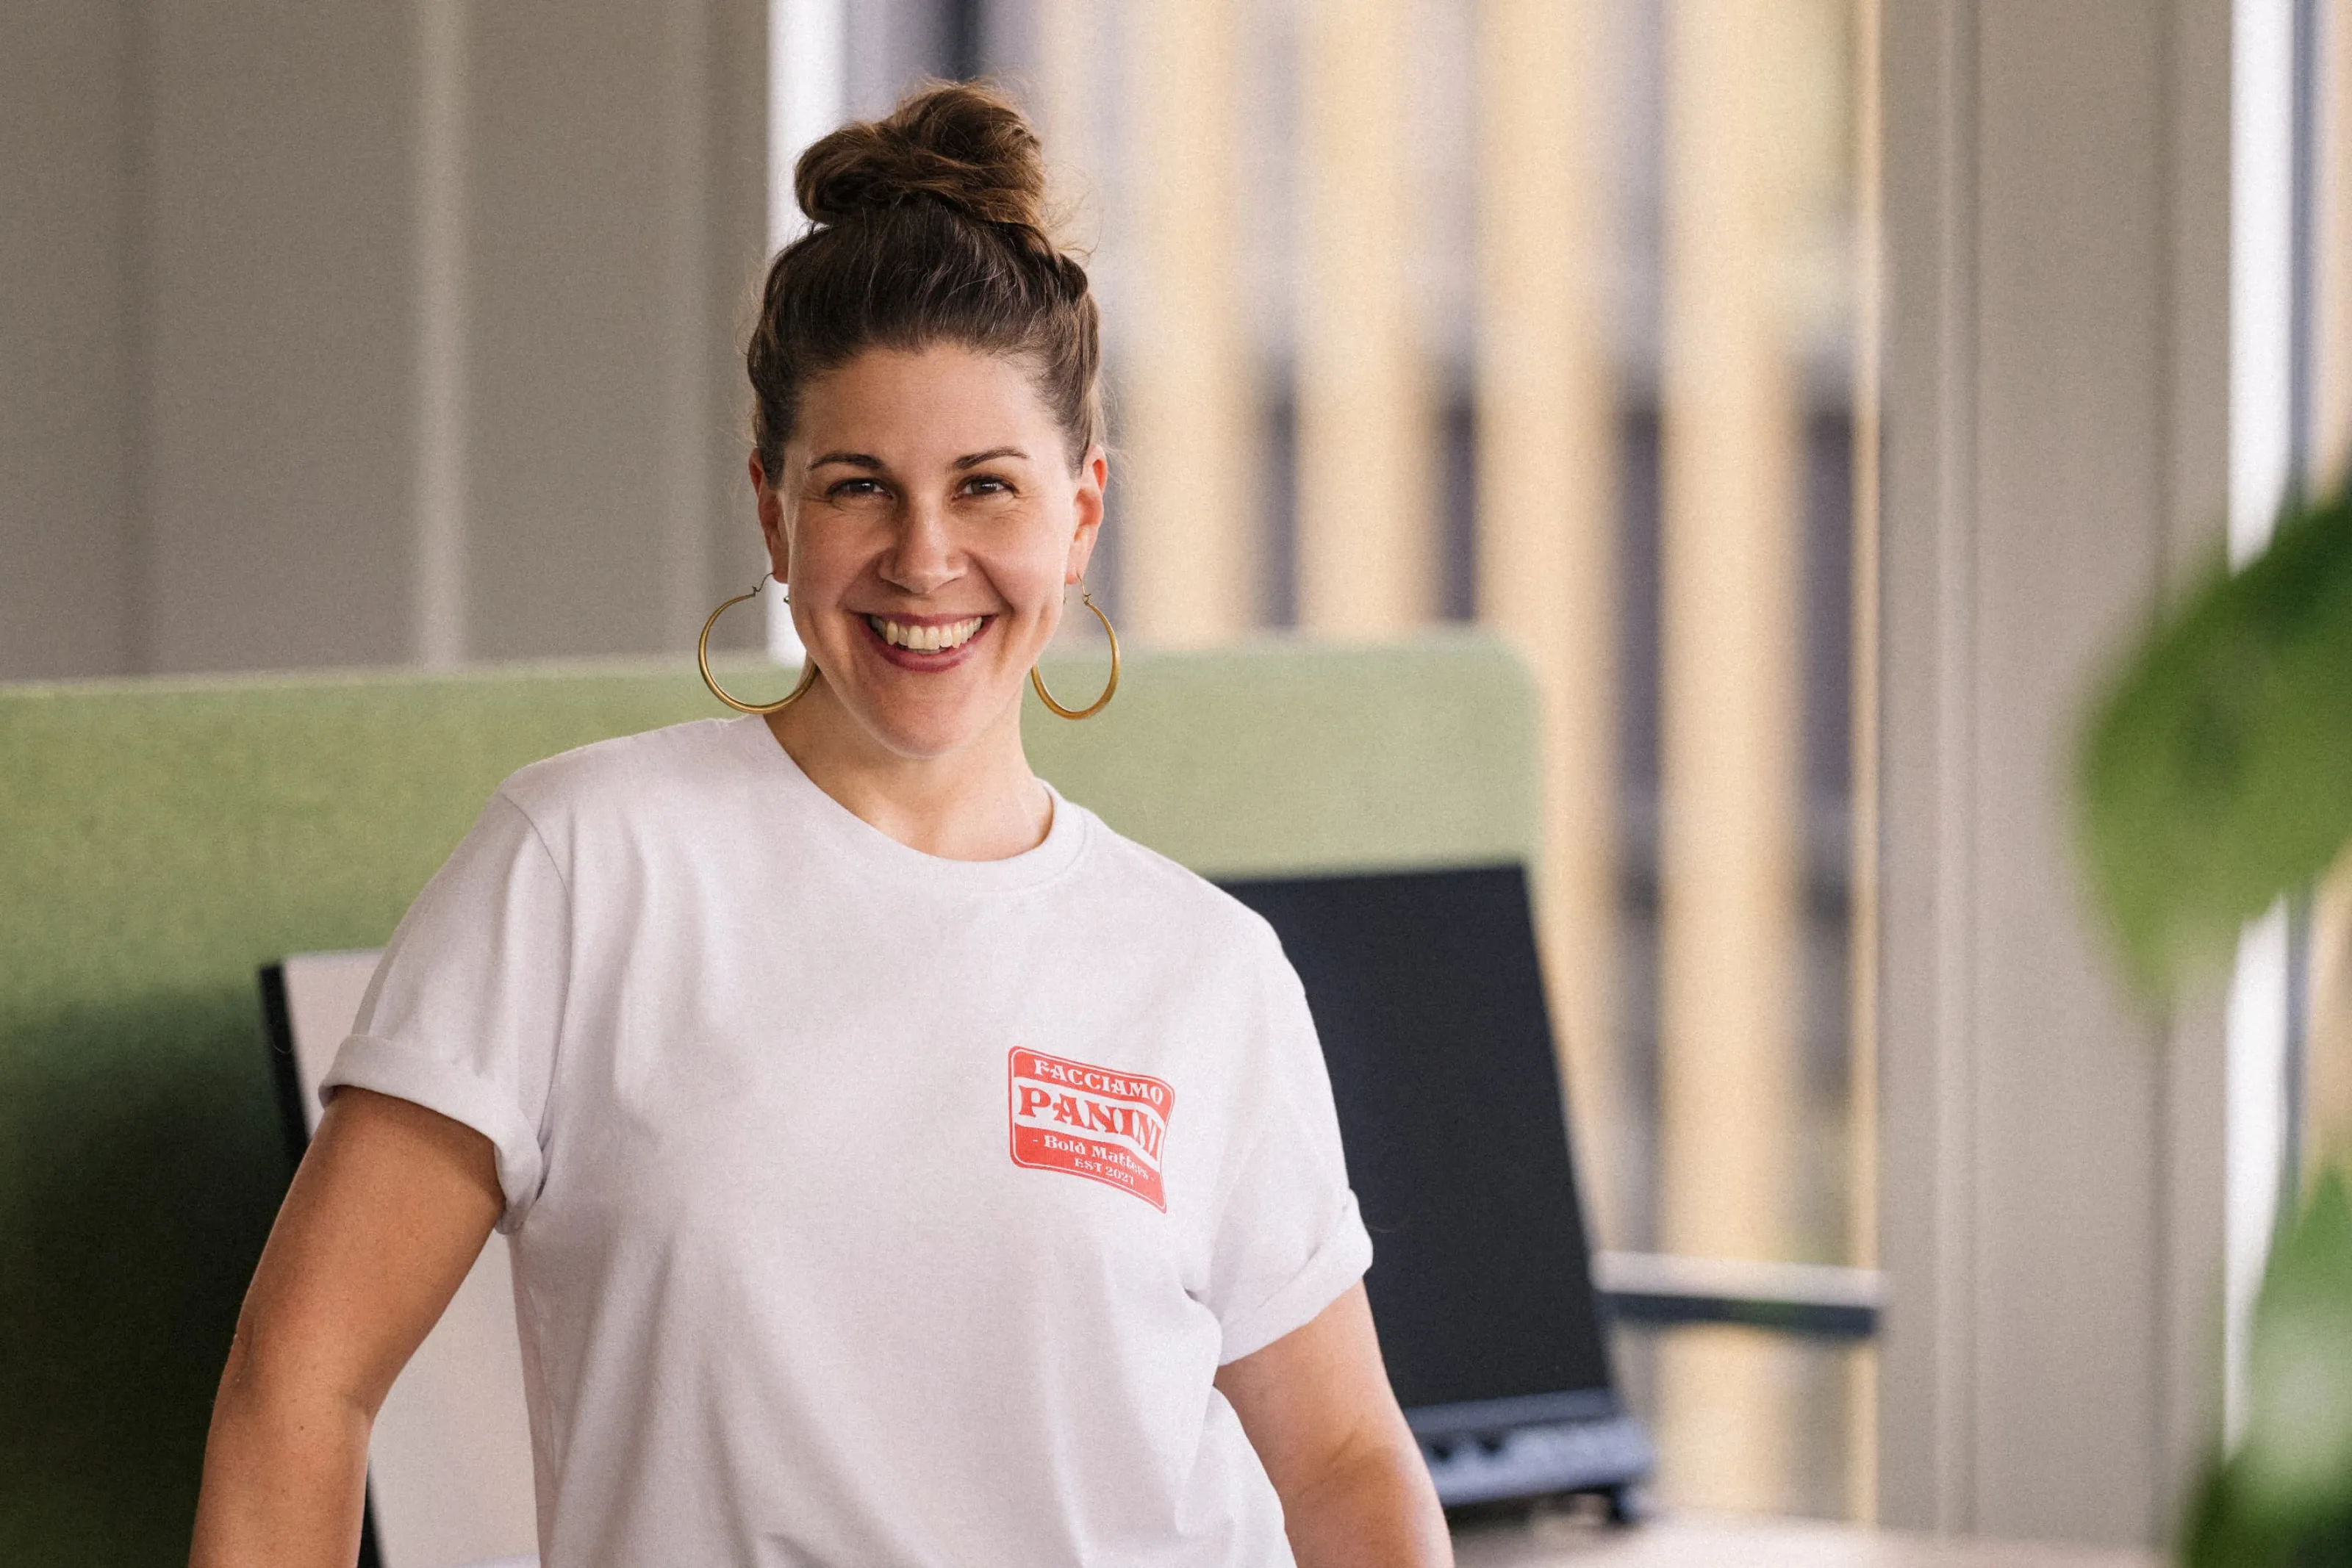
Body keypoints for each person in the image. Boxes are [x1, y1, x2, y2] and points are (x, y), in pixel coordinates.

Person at [190, 82, 1451, 1568]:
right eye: (860, 487)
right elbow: (299, 1385)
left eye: (987, 487)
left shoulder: (1203, 970)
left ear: (1081, 512)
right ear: (774, 511)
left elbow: (1352, 1461)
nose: (925, 559)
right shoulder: (587, 865)